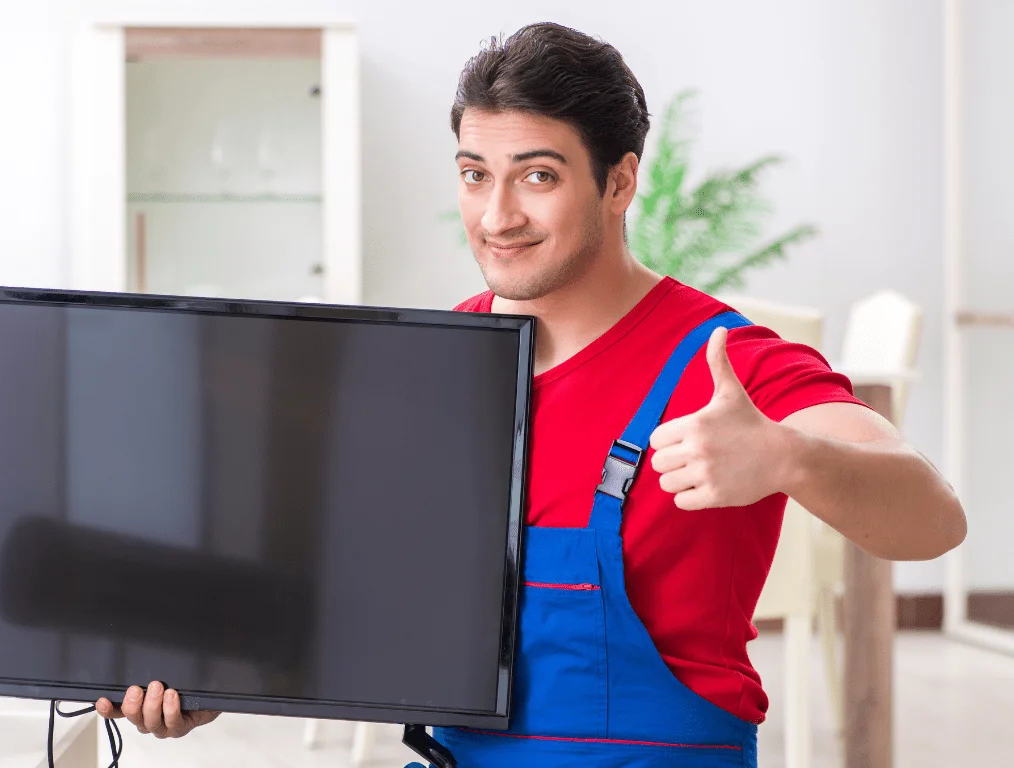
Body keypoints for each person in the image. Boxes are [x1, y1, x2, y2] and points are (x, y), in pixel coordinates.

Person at [94, 21, 966, 766]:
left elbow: (934, 519)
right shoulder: (443, 354)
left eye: (538, 176)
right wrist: (220, 678)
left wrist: (791, 457)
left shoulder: (724, 364)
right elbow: (375, 593)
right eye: (476, 173)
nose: (497, 215)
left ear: (620, 182)